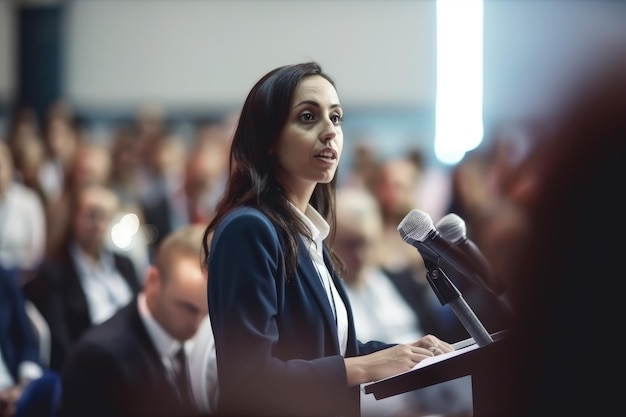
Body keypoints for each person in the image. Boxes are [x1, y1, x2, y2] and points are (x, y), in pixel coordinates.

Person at [201, 62, 453, 417]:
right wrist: (367, 367)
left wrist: (408, 352)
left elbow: (327, 352)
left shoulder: (308, 233)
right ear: (269, 139)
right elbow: (249, 380)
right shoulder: (249, 229)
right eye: (308, 117)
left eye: (336, 118)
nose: (330, 132)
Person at [60, 224, 216, 417]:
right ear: (152, 281)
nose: (198, 323)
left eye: (206, 312)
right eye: (187, 308)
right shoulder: (99, 359)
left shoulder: (180, 339)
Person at [24, 182, 142, 372]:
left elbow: (142, 314)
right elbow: (60, 342)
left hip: (135, 359)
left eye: (105, 217)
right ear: (74, 217)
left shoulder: (125, 264)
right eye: (92, 215)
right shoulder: (55, 273)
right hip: (91, 366)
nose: (98, 224)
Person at [0, 266, 49, 417]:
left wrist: (25, 385)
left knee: (53, 386)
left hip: (15, 385)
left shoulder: (3, 278)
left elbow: (27, 339)